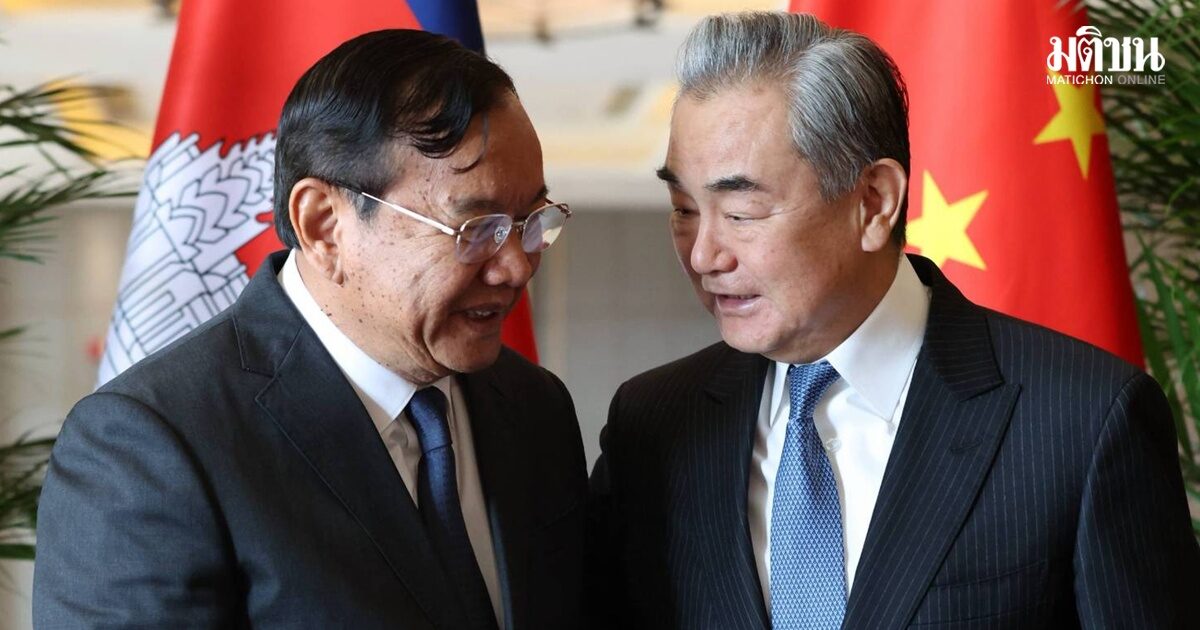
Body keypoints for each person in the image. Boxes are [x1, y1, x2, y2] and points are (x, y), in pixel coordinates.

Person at [589, 11, 1199, 629]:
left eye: (741, 213)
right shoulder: (653, 424)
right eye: (684, 209)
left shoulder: (1084, 419)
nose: (703, 256)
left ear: (874, 202)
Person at [35, 29, 587, 629]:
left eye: (531, 221)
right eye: (477, 229)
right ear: (323, 225)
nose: (516, 267)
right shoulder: (151, 444)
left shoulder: (534, 406)